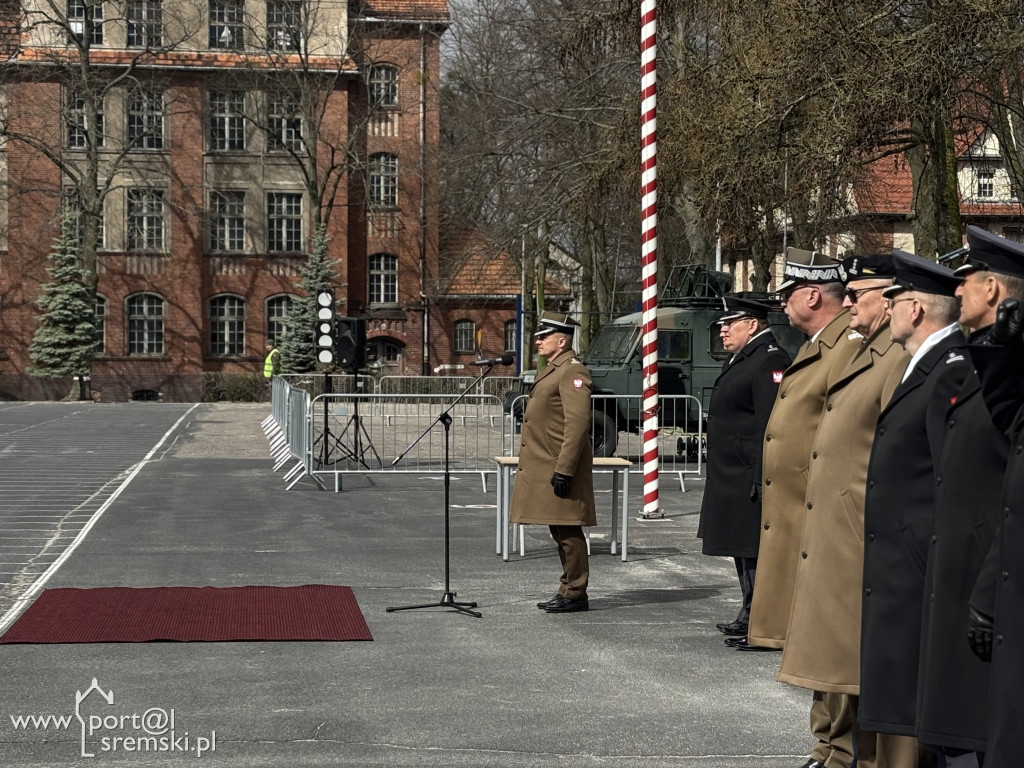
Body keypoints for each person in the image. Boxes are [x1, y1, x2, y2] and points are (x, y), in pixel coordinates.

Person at [776, 253, 909, 768]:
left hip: (855, 524)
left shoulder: (888, 355)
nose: (846, 304)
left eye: (858, 295)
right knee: (826, 644)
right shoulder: (862, 348)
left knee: (845, 649)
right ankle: (832, 747)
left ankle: (845, 750)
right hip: (831, 519)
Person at [916, 226, 1024, 768]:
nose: (956, 291)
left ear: (995, 291)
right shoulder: (985, 356)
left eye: (967, 281)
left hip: (993, 572)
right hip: (970, 569)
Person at [859, 253, 970, 767]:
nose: (887, 308)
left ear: (918, 309)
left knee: (911, 698)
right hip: (901, 559)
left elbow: (949, 475)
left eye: (894, 299)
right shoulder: (920, 364)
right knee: (896, 692)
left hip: (917, 558)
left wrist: (915, 543)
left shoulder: (948, 369)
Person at [744, 248, 861, 661]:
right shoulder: (819, 344)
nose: (782, 302)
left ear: (812, 296)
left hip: (816, 498)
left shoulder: (846, 345)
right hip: (797, 497)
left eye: (789, 293)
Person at [698, 296, 792, 639]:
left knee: (753, 548)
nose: (722, 330)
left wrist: (760, 475)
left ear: (752, 324)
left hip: (748, 471)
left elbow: (771, 424)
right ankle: (749, 609)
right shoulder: (742, 357)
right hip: (732, 472)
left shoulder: (769, 360)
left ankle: (759, 616)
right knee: (741, 548)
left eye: (729, 323)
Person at [510, 311, 596, 613]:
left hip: (559, 464)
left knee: (568, 530)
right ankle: (568, 587)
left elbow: (577, 423)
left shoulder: (573, 371)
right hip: (546, 462)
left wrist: (565, 469)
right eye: (537, 336)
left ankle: (575, 591)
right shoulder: (553, 369)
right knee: (559, 530)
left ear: (562, 340)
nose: (538, 341)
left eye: (544, 336)